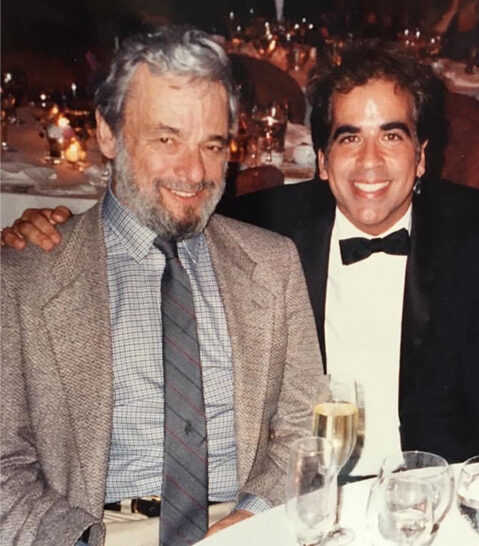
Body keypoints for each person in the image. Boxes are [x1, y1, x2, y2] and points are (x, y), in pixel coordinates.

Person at [3, 41, 479, 476]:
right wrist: (48, 227)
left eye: (392, 136)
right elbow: (164, 203)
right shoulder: (268, 228)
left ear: (421, 157)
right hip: (309, 494)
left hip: (430, 497)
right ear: (320, 159)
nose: (370, 162)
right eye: (349, 137)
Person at [0, 26, 320, 546]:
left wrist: (254, 522)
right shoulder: (24, 276)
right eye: (166, 138)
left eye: (212, 145)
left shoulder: (273, 263)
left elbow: (305, 429)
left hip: (247, 526)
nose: (193, 171)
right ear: (107, 133)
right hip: (98, 531)